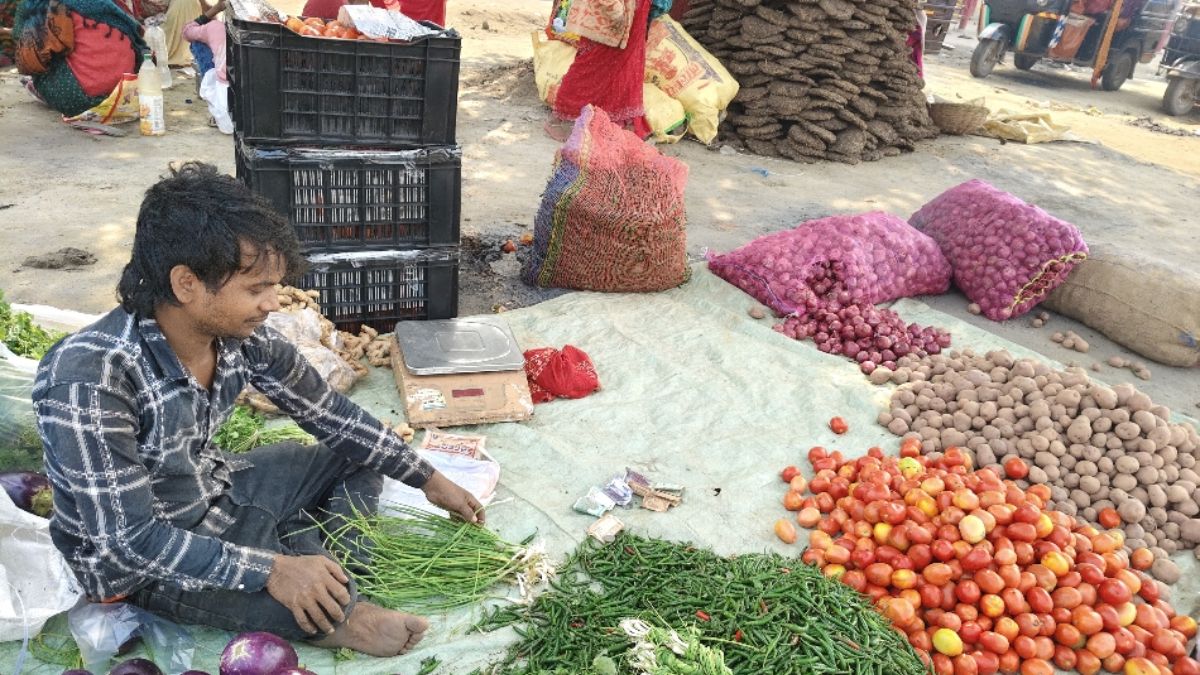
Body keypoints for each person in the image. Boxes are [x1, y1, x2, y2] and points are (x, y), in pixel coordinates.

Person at [32, 162, 484, 657]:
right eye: (255, 289)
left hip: (215, 486)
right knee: (314, 598)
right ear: (186, 284)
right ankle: (334, 603)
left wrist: (429, 479)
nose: (273, 303)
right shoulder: (90, 378)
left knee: (357, 452)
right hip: (146, 557)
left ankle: (329, 566)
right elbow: (128, 541)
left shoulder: (238, 338)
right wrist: (271, 570)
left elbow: (329, 413)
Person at [14, 0, 147, 117]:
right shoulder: (111, 4)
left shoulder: (51, 6)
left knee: (37, 57)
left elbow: (29, 55)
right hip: (125, 93)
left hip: (83, 100)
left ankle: (46, 92)